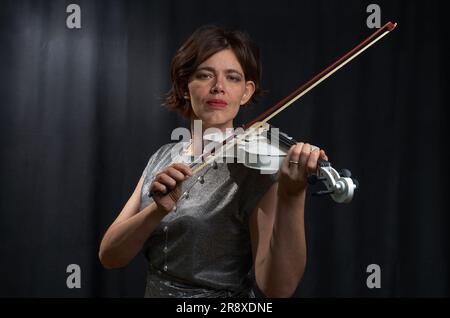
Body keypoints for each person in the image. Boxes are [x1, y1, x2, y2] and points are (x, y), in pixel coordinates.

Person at [98, 25, 328, 298]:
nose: (218, 87)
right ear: (185, 87)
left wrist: (292, 195)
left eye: (232, 78)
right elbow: (110, 256)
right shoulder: (162, 157)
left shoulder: (256, 172)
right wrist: (157, 211)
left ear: (246, 92)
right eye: (205, 75)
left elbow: (278, 288)